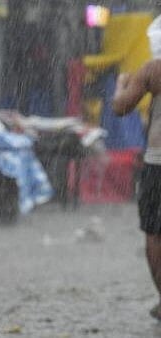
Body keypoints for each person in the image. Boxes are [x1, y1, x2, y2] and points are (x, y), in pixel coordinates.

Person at [113, 60, 161, 320]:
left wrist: (122, 84)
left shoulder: (153, 69)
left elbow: (120, 106)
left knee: (154, 233)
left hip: (158, 162)